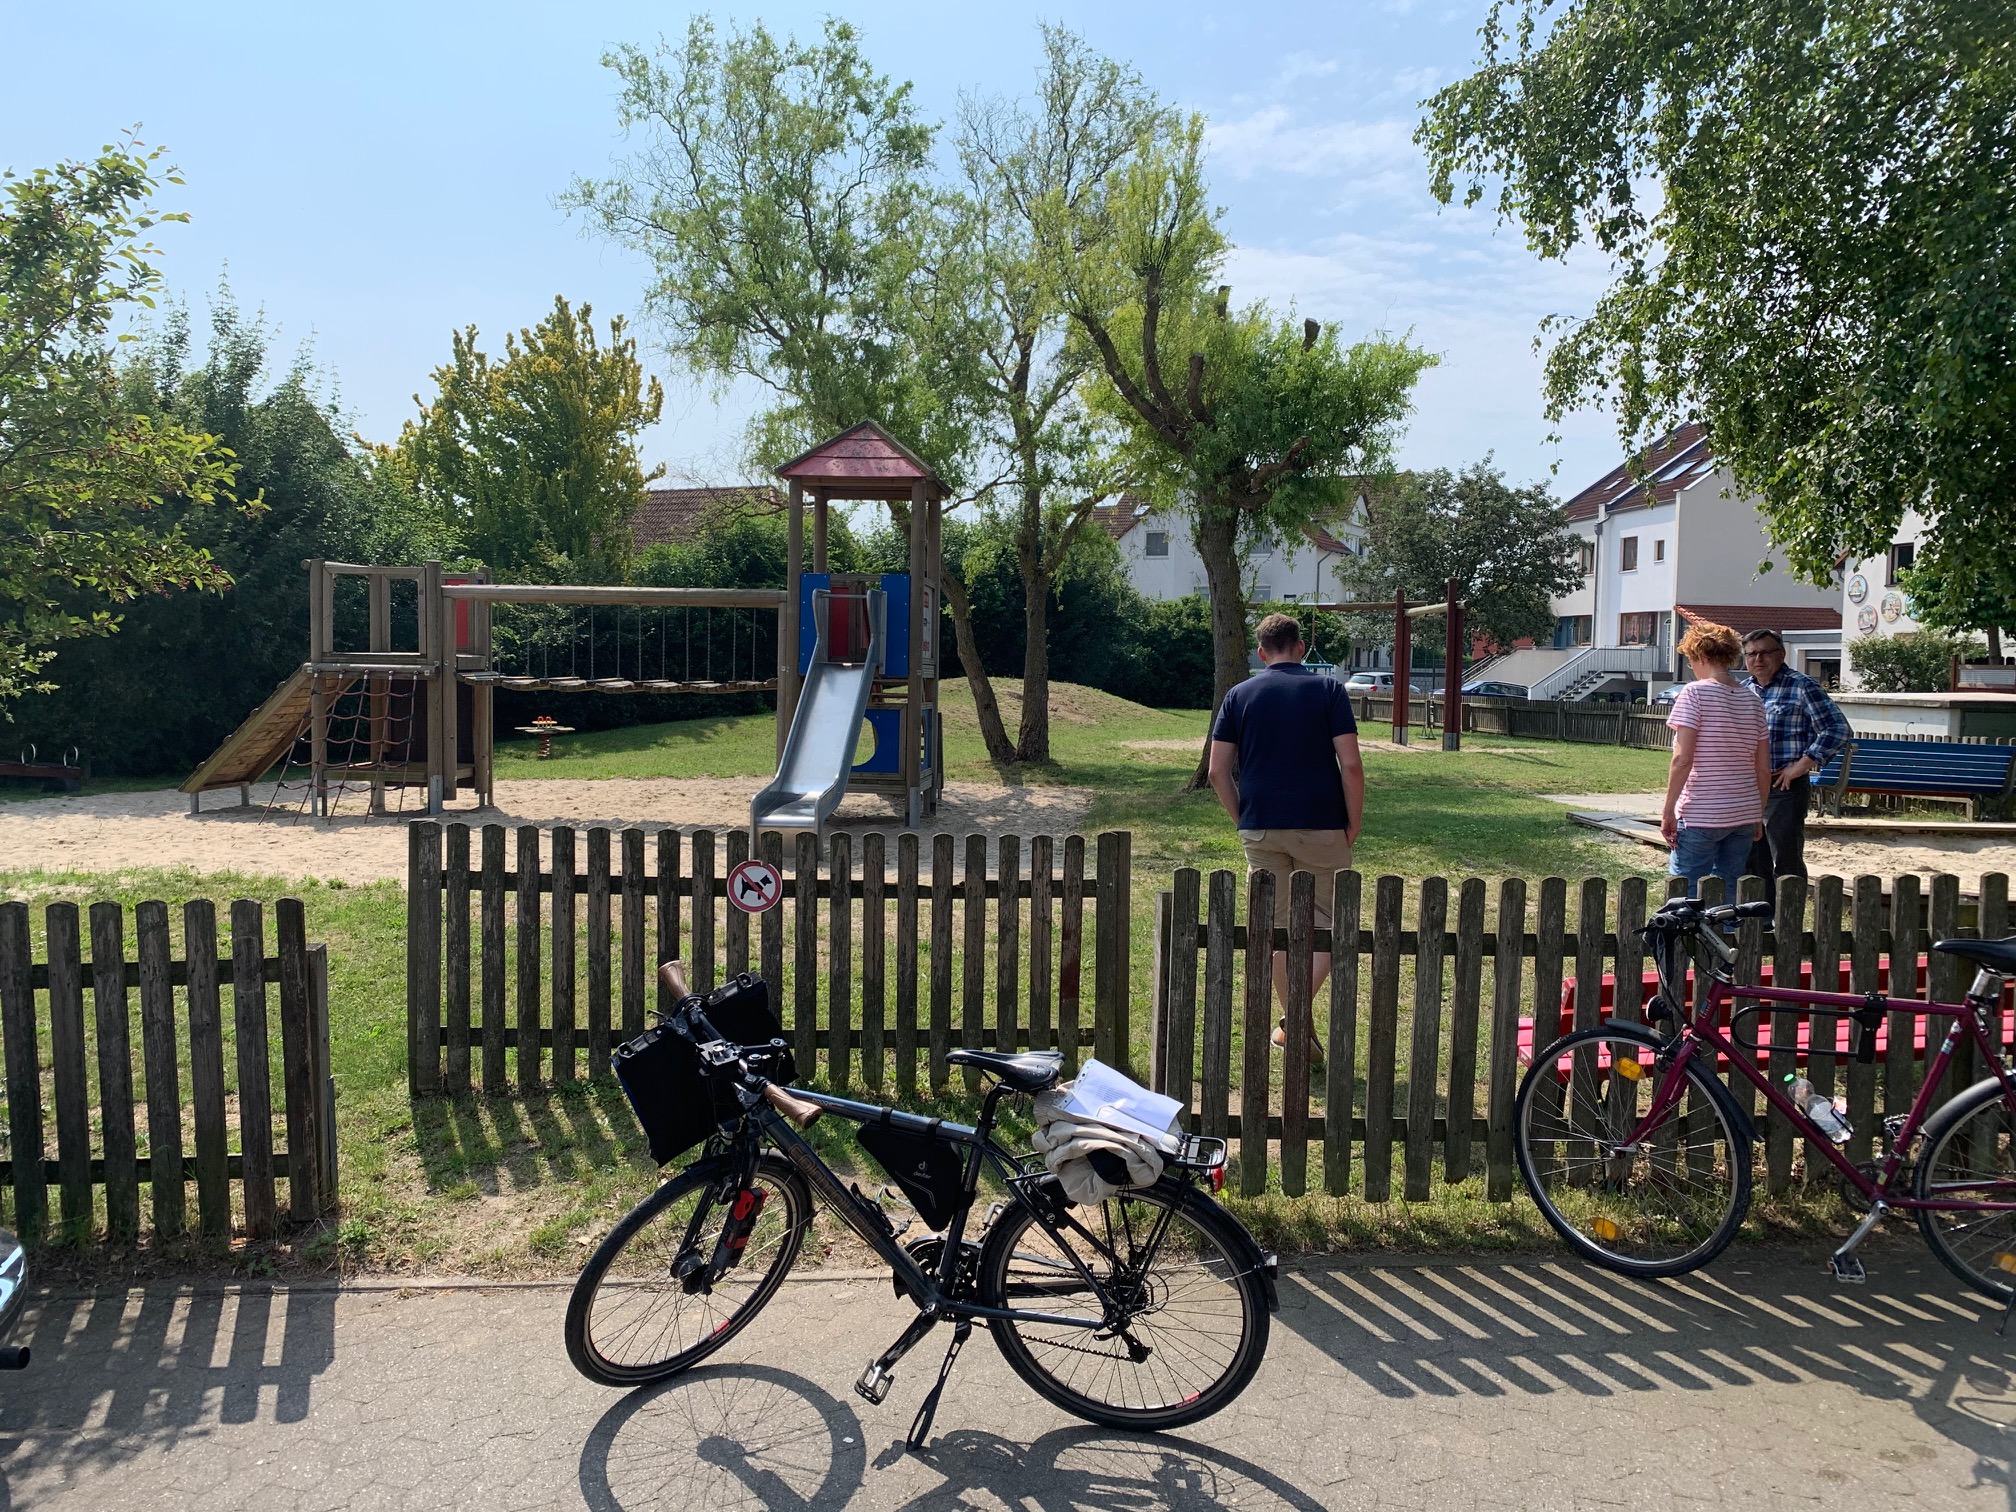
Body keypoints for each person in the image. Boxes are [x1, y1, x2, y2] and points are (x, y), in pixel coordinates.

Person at [1207, 613, 1364, 1065]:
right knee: (1328, 926)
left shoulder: (1238, 695)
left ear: (1261, 654)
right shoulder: (1328, 690)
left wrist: (1243, 818)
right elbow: (1350, 765)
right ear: (1299, 647)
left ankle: (1291, 1025)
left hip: (1261, 826)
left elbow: (1218, 771)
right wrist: (1352, 822)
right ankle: (1295, 1023)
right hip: (1321, 823)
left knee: (1275, 929)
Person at [1660, 620, 1770, 898]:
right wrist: (1757, 813)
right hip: (1744, 811)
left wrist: (1668, 810)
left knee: (1684, 889)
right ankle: (1727, 938)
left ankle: (1685, 942)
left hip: (1702, 811)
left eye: (1691, 661)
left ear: (1702, 657)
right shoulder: (1753, 700)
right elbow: (1763, 768)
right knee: (1730, 888)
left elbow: (1683, 759)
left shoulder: (1694, 693)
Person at [1739, 627, 1850, 890]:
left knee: (1785, 859)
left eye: (1765, 652)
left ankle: (1787, 922)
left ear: (1781, 654)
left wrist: (1801, 766)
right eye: (1751, 654)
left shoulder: (1802, 686)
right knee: (1752, 860)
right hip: (1749, 786)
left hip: (1784, 786)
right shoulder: (1742, 691)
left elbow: (1838, 729)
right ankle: (1760, 921)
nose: (1758, 659)